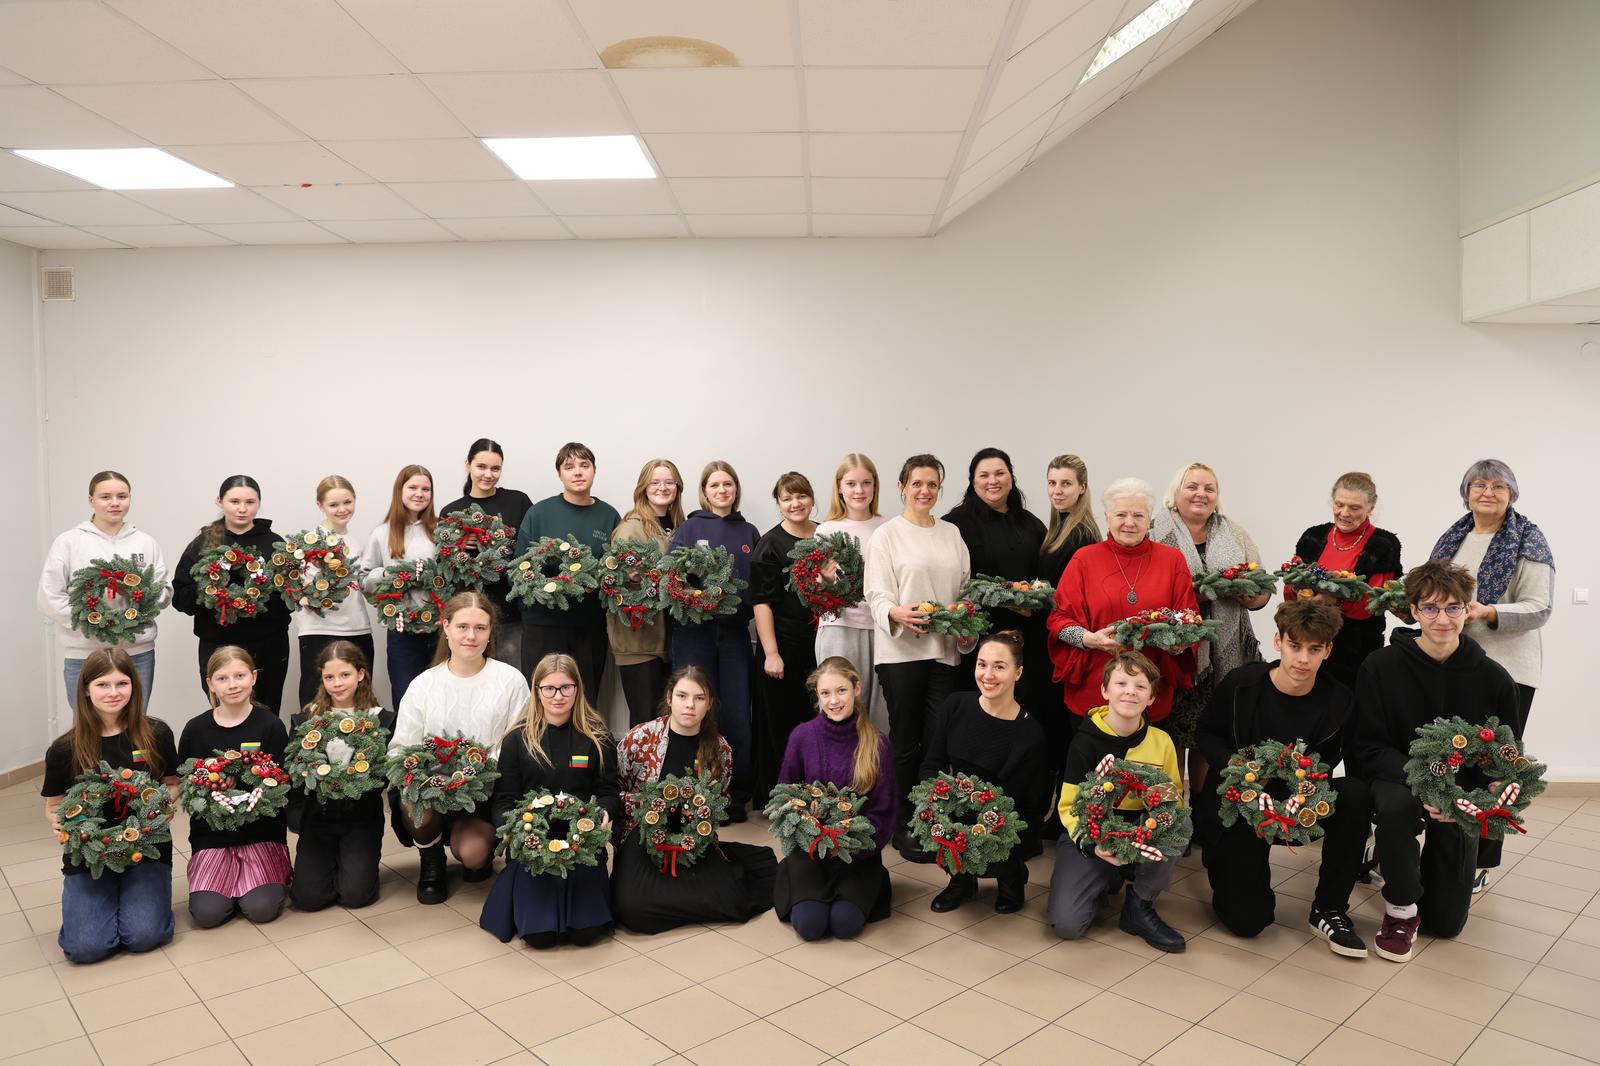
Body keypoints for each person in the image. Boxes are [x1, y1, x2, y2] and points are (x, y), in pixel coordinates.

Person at [1350, 560, 1521, 963]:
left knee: (1445, 925)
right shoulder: (1380, 667)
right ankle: (1401, 909)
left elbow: (1506, 755)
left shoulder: (1496, 679)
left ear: (1467, 610)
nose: (1441, 619)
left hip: (1461, 789)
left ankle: (1419, 872)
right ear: (1413, 610)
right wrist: (1427, 782)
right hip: (1396, 775)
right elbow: (1366, 745)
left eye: (1452, 608)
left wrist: (1477, 797)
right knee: (1396, 811)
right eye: (1430, 608)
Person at [1195, 601, 1371, 956]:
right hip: (1241, 805)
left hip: (1299, 801)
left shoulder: (1339, 700)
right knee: (1248, 921)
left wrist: (1304, 790)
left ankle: (1330, 908)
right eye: (1295, 646)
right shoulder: (1242, 685)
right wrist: (1239, 768)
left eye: (1314, 649)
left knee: (1354, 794)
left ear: (1328, 651)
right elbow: (1206, 735)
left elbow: (1336, 757)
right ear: (1278, 642)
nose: (1303, 659)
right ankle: (1224, 860)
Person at [1428, 459, 1554, 891]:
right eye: (1479, 484)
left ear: (1512, 493)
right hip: (1456, 663)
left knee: (1497, 764)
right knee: (1454, 755)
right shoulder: (1455, 536)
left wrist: (1492, 611)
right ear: (1466, 491)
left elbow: (1540, 606)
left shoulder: (1528, 540)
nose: (1488, 492)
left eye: (1499, 485)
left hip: (1508, 670)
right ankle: (1447, 847)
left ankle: (1482, 860)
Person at [863, 454, 973, 861]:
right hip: (900, 653)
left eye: (932, 485)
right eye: (917, 484)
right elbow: (876, 592)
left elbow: (963, 593)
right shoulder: (887, 535)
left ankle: (931, 815)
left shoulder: (951, 534)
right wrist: (894, 612)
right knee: (906, 741)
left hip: (943, 652)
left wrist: (964, 626)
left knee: (937, 742)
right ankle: (903, 821)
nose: (925, 491)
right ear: (901, 487)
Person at [611, 667, 777, 934]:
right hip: (641, 833)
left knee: (733, 902)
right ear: (669, 698)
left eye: (699, 698)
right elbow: (615, 792)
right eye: (682, 696)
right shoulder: (641, 738)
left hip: (692, 836)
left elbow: (720, 803)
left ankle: (678, 894)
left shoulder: (719, 749)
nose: (690, 705)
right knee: (632, 911)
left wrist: (694, 818)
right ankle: (675, 896)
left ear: (709, 703)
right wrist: (653, 807)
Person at [389, 591, 530, 905]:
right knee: (416, 811)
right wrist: (428, 776)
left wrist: (475, 774)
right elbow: (402, 748)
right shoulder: (423, 684)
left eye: (480, 628)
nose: (471, 635)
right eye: (463, 626)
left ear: (491, 631)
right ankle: (432, 859)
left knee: (474, 855)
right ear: (446, 627)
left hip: (485, 790)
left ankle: (473, 848)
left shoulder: (510, 681)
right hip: (431, 790)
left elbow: (518, 744)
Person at [42, 648, 178, 963]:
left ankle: (135, 899)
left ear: (135, 685)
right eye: (103, 684)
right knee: (86, 948)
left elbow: (172, 783)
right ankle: (104, 903)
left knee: (144, 936)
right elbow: (53, 805)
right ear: (86, 690)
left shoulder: (156, 734)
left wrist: (161, 806)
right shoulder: (64, 750)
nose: (114, 693)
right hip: (90, 855)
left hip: (145, 849)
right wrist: (58, 821)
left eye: (122, 683)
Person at [1047, 651, 1186, 953]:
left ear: (1151, 697)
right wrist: (1092, 844)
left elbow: (1173, 800)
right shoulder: (1084, 743)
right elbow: (1069, 807)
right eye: (1121, 683)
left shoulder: (1161, 741)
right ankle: (1106, 877)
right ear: (1104, 690)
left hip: (1142, 828)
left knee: (1182, 821)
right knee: (1067, 925)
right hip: (1091, 832)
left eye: (1140, 686)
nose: (1130, 692)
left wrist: (1150, 827)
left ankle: (1139, 904)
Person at [481, 653, 619, 948]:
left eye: (566, 688)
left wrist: (604, 814)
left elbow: (608, 791)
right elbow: (504, 799)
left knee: (587, 935)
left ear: (577, 689)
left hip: (584, 843)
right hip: (533, 845)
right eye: (549, 689)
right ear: (537, 691)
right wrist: (515, 832)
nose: (558, 696)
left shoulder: (597, 737)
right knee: (539, 937)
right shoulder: (517, 740)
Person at [1151, 462, 1269, 799]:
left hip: (1225, 650)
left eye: (1209, 488)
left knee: (1207, 731)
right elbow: (1146, 586)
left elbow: (1261, 589)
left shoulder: (1235, 533)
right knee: (1171, 733)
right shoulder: (1154, 532)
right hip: (1173, 651)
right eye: (1192, 486)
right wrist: (1194, 593)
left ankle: (1201, 806)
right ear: (1176, 492)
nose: (1201, 494)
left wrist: (1250, 595)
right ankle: (1171, 807)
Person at [1046, 477, 1199, 725]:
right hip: (1094, 691)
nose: (1129, 523)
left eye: (1138, 515)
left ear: (1149, 519)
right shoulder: (1083, 559)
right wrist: (1090, 640)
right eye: (1121, 515)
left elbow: (1190, 620)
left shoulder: (1172, 561)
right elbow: (1058, 619)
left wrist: (1176, 645)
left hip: (1149, 692)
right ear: (1107, 517)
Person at [918, 631, 1048, 915]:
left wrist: (989, 836)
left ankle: (1010, 876)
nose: (987, 674)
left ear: (1018, 673)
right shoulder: (955, 705)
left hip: (1005, 816)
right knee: (928, 830)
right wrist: (930, 809)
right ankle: (961, 880)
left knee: (995, 852)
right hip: (957, 805)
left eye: (999, 667)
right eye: (982, 664)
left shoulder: (1030, 733)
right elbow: (932, 764)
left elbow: (1026, 805)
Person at [774, 657, 896, 941]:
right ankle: (791, 875)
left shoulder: (877, 743)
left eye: (841, 691)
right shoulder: (803, 736)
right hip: (811, 851)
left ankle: (875, 882)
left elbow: (885, 810)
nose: (833, 701)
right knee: (810, 927)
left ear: (856, 688)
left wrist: (854, 843)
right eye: (825, 693)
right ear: (817, 695)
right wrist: (807, 835)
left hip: (857, 854)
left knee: (844, 925)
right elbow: (784, 793)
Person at [668, 461, 760, 821]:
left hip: (735, 634)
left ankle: (735, 796)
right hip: (694, 632)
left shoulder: (749, 531)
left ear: (736, 489)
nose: (722, 491)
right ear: (704, 491)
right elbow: (672, 579)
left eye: (728, 484)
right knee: (692, 709)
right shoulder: (689, 528)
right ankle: (691, 789)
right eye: (715, 485)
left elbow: (757, 587)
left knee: (736, 711)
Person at [177, 646, 292, 928]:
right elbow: (188, 785)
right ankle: (223, 887)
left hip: (261, 834)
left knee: (261, 909)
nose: (232, 685)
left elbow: (280, 785)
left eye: (240, 675)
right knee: (208, 915)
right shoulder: (195, 730)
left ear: (253, 677)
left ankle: (266, 879)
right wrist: (215, 787)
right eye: (222, 678)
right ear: (210, 683)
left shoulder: (271, 726)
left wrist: (243, 787)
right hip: (213, 838)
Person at [38, 470, 168, 706]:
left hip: (137, 652)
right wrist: (96, 622)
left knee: (135, 726)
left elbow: (162, 590)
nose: (115, 503)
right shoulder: (69, 542)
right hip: (85, 653)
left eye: (122, 496)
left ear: (130, 498)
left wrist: (135, 600)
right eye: (105, 497)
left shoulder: (145, 542)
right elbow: (50, 596)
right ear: (91, 500)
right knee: (88, 730)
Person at [172, 475, 293, 718]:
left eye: (250, 502)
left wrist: (256, 597)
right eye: (234, 501)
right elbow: (181, 597)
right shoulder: (204, 544)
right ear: (220, 501)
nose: (242, 508)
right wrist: (214, 593)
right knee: (225, 715)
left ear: (259, 503)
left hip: (267, 645)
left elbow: (289, 598)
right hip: (218, 643)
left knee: (267, 712)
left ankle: (267, 757)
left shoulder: (274, 544)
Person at [286, 641, 392, 912]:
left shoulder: (381, 721)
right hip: (318, 818)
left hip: (361, 818)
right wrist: (297, 817)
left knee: (355, 896)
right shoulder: (306, 720)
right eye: (329, 677)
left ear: (360, 674)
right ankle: (326, 864)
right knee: (309, 899)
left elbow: (383, 775)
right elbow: (295, 773)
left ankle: (352, 864)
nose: (337, 684)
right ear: (321, 679)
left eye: (345, 675)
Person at [943, 449, 1049, 708]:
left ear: (1011, 478)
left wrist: (1033, 602)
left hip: (1026, 635)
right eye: (984, 475)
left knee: (1025, 704)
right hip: (974, 637)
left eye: (1000, 473)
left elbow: (1045, 582)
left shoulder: (1031, 525)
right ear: (973, 481)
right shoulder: (953, 525)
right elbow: (949, 583)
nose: (993, 481)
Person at [514, 442, 621, 697]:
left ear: (594, 470)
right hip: (542, 624)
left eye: (585, 465)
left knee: (585, 697)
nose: (578, 472)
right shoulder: (539, 513)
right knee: (543, 697)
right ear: (559, 473)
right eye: (569, 466)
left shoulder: (609, 516)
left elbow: (615, 570)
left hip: (589, 625)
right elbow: (520, 566)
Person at [1290, 472, 1402, 691]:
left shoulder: (1384, 544)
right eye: (1339, 505)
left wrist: (1329, 600)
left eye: (1355, 508)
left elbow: (1371, 604)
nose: (1344, 513)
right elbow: (1291, 585)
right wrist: (1301, 592)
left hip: (1355, 650)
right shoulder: (1312, 536)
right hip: (1306, 644)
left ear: (1371, 507)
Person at [752, 472, 820, 800]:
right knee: (782, 724)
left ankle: (814, 792)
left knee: (815, 720)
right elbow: (762, 603)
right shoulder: (769, 545)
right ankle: (779, 796)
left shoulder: (826, 535)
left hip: (819, 645)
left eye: (801, 496)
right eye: (787, 498)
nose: (795, 504)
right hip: (781, 647)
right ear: (778, 504)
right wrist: (771, 653)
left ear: (811, 498)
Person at [439, 439, 534, 670]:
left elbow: (530, 553)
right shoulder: (452, 512)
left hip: (510, 616)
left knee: (513, 683)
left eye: (495, 468)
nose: (488, 474)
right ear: (467, 465)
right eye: (481, 466)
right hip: (467, 619)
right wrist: (461, 545)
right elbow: (444, 567)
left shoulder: (517, 502)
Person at [813, 454, 889, 731]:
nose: (859, 490)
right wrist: (825, 580)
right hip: (839, 629)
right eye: (851, 483)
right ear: (840, 487)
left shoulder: (887, 528)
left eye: (866, 483)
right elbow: (815, 592)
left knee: (879, 712)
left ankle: (876, 772)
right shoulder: (827, 530)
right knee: (839, 708)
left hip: (882, 629)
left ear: (875, 486)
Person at [609, 459, 686, 727]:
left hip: (670, 641)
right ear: (643, 487)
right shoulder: (631, 527)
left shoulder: (681, 526)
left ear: (677, 487)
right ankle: (636, 771)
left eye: (668, 482)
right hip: (639, 643)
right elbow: (614, 583)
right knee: (645, 723)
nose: (662, 487)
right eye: (655, 482)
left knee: (668, 721)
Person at [293, 475, 375, 710]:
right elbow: (299, 591)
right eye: (333, 504)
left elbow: (364, 586)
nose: (342, 509)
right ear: (320, 505)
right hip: (318, 630)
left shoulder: (357, 543)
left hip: (358, 628)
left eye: (347, 502)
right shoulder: (309, 544)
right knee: (315, 698)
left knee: (360, 698)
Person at [361, 464, 438, 709]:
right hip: (401, 630)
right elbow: (363, 579)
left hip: (439, 630)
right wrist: (389, 573)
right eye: (413, 487)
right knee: (406, 698)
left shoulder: (441, 531)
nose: (419, 494)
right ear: (400, 491)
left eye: (425, 489)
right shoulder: (382, 533)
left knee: (438, 698)